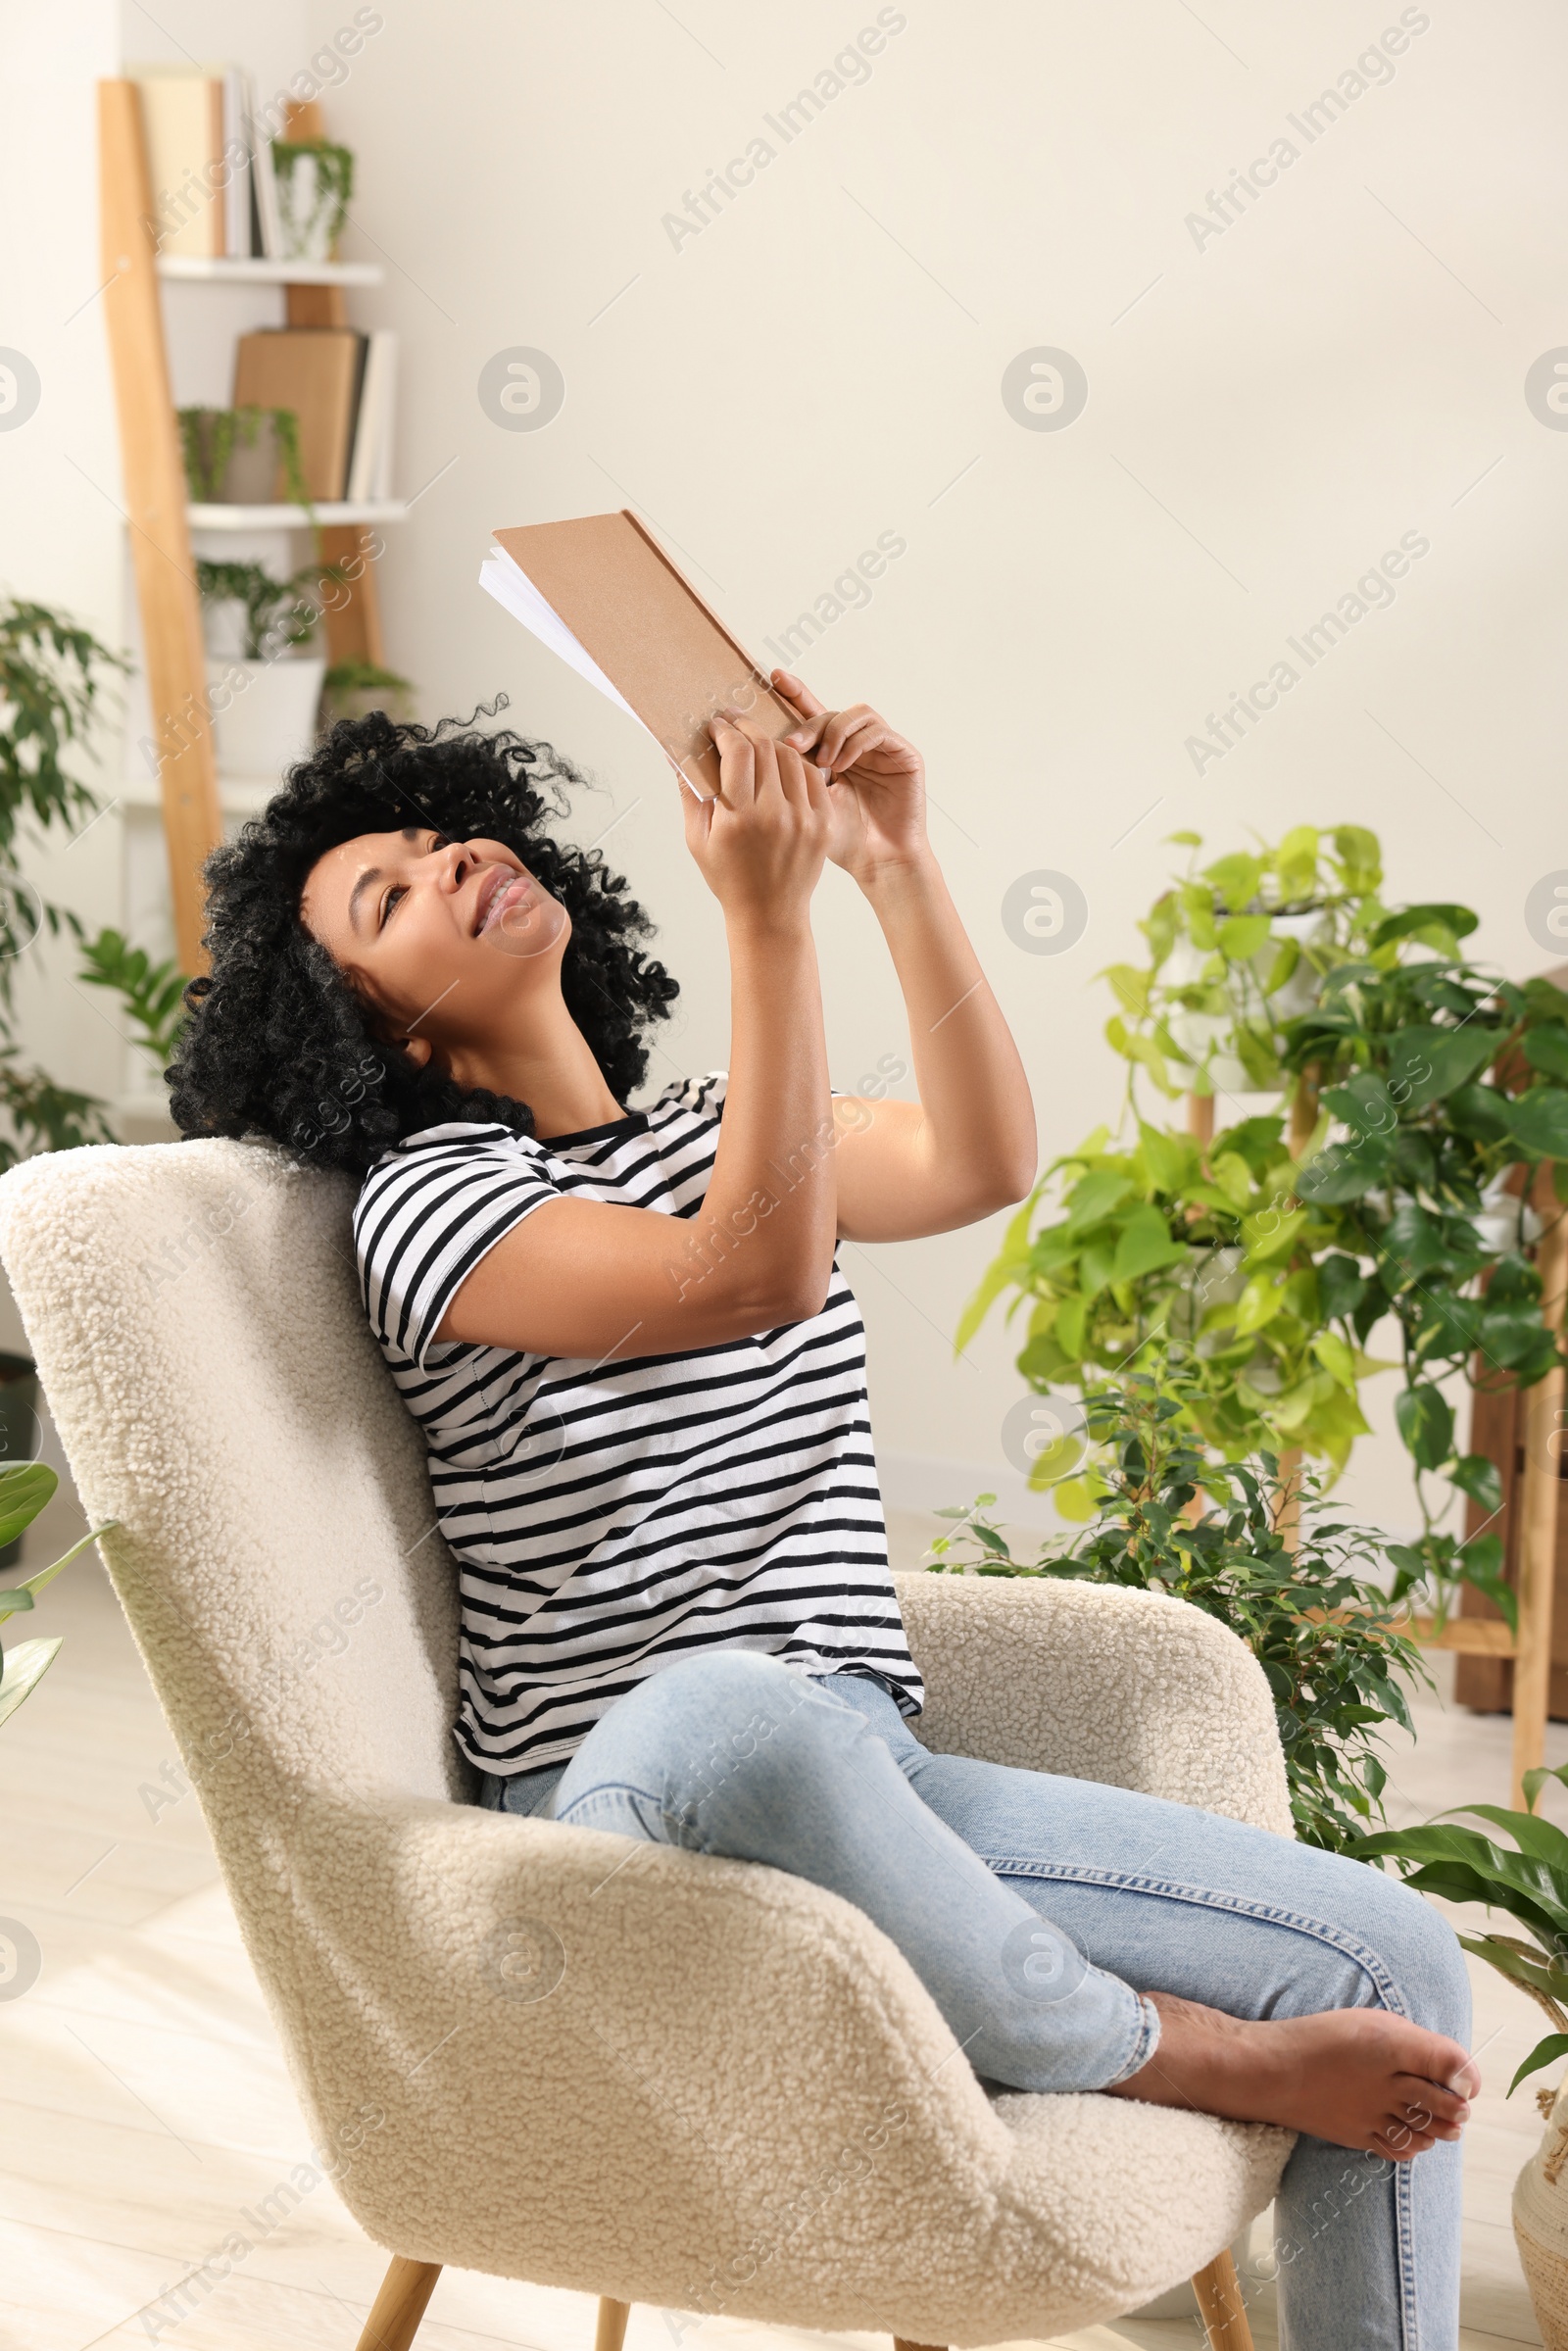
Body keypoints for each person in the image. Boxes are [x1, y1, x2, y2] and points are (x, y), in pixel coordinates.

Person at [170, 674, 1475, 2350]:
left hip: (866, 1764)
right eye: (392, 893)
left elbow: (983, 1158)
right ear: (387, 1030)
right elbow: (753, 1273)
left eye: (442, 834)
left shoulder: (723, 1127)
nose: (451, 859)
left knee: (1396, 1967)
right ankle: (1173, 2048)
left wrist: (891, 866)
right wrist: (767, 927)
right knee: (733, 1706)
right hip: (620, 1803)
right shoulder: (431, 1210)